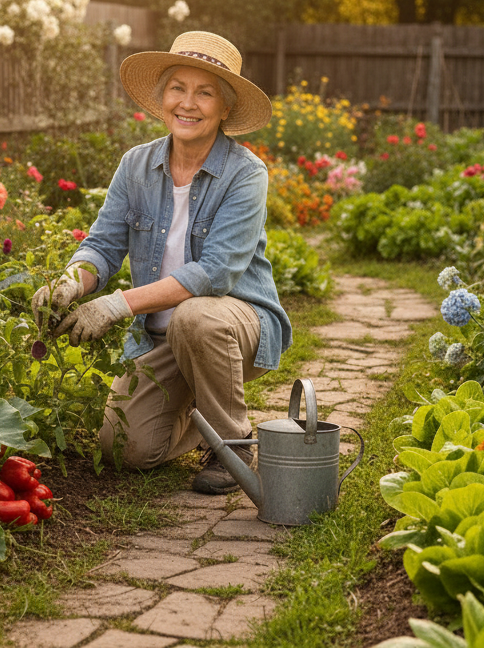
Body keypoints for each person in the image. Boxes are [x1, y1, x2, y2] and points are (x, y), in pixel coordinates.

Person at [32, 31, 292, 494]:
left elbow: (215, 274)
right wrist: (70, 283)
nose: (188, 104)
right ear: (161, 97)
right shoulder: (136, 165)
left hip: (233, 326)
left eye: (205, 92)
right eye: (178, 88)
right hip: (160, 339)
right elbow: (103, 246)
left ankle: (231, 442)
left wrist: (116, 305)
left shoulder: (246, 174)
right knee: (124, 449)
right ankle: (200, 412)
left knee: (196, 317)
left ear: (225, 107)